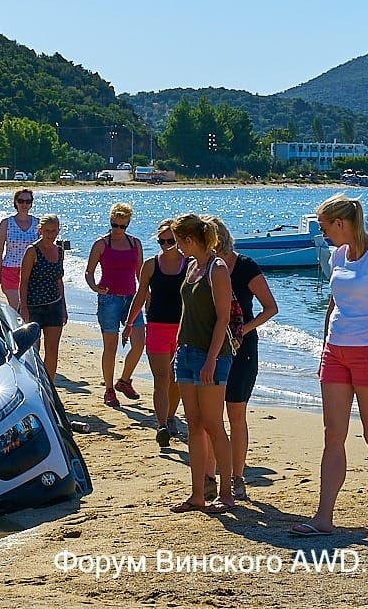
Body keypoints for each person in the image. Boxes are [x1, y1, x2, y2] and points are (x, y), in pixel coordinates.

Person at [291, 194, 368, 536]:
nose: (324, 235)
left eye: (325, 228)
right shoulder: (338, 254)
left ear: (341, 223)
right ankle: (324, 517)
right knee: (332, 435)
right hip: (336, 352)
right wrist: (323, 345)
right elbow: (332, 304)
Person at [207, 216, 279, 501]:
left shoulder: (246, 266)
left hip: (242, 348)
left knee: (235, 415)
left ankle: (237, 478)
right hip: (211, 347)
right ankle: (210, 477)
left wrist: (241, 329)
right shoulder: (203, 267)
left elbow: (270, 307)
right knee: (211, 417)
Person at [169, 213, 236, 514]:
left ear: (190, 239)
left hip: (212, 356)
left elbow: (223, 316)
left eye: (178, 241)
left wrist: (211, 358)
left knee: (213, 424)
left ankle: (226, 492)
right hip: (186, 352)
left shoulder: (216, 268)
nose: (177, 247)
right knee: (194, 424)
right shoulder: (192, 266)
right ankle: (197, 494)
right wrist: (177, 347)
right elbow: (187, 310)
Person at [122, 219, 186, 448]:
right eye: (162, 241)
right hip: (157, 327)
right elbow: (140, 296)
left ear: (179, 240)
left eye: (171, 241)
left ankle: (170, 417)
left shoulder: (189, 264)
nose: (166, 245)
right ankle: (161, 426)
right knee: (161, 379)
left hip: (183, 330)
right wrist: (129, 323)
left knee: (176, 379)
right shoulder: (150, 265)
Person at [84, 202, 145, 407]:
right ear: (110, 222)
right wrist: (94, 287)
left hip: (131, 298)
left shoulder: (135, 244)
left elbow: (141, 274)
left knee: (139, 343)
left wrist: (147, 295)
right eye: (115, 225)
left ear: (128, 225)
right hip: (109, 299)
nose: (118, 230)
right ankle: (109, 389)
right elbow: (89, 272)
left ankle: (124, 380)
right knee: (110, 345)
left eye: (122, 226)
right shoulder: (101, 244)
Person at [18, 215, 67, 379]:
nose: (50, 234)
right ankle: (35, 383)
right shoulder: (32, 251)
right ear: (40, 230)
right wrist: (23, 308)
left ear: (58, 231)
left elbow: (59, 281)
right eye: (47, 231)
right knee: (34, 351)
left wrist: (64, 307)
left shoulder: (59, 251)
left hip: (54, 306)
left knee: (53, 350)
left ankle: (50, 386)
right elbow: (23, 281)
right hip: (33, 307)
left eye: (54, 231)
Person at [0, 188, 38, 308]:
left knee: (29, 309)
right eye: (21, 201)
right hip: (9, 270)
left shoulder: (37, 223)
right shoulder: (6, 223)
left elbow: (42, 251)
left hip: (31, 272)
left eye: (28, 201)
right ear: (15, 202)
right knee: (17, 308)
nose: (24, 204)